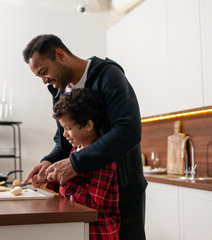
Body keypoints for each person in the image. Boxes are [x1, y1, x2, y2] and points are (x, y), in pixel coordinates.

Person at [22, 34, 147, 240]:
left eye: (44, 72)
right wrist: (48, 162)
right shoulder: (59, 91)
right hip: (85, 201)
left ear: (60, 55)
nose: (44, 81)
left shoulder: (108, 75)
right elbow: (63, 144)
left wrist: (75, 163)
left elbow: (128, 130)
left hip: (122, 191)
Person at [47, 88, 120, 239]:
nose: (64, 134)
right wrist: (49, 179)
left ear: (88, 125)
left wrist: (65, 179)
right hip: (80, 230)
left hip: (99, 233)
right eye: (63, 128)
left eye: (68, 128)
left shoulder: (102, 157)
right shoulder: (76, 149)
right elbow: (70, 192)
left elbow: (92, 204)